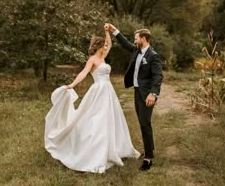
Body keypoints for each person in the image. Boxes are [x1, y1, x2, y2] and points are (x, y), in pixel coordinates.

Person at [44, 24, 140, 173]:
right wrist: (72, 84)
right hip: (98, 91)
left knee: (111, 118)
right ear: (99, 47)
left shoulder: (103, 57)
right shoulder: (92, 60)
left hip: (108, 91)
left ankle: (114, 148)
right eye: (104, 45)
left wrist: (107, 31)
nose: (106, 47)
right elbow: (83, 73)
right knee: (96, 119)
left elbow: (109, 43)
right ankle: (94, 150)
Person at [106, 24, 163, 171]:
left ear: (143, 39)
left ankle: (148, 158)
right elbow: (125, 43)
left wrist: (153, 94)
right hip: (137, 92)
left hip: (147, 95)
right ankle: (149, 150)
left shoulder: (153, 56)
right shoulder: (137, 51)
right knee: (143, 123)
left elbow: (158, 77)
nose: (134, 40)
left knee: (145, 124)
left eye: (136, 38)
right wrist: (114, 30)